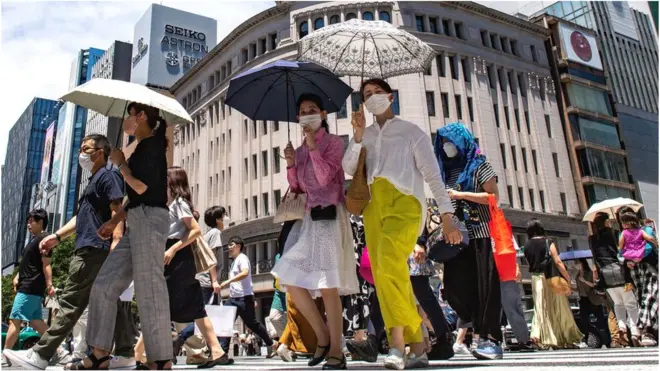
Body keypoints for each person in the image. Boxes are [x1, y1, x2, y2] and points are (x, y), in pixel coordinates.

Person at [342, 78, 460, 370]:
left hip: (406, 203)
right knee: (385, 273)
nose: (371, 98)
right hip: (373, 206)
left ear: (391, 96)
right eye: (366, 95)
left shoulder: (411, 132)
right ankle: (418, 344)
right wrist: (357, 137)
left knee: (389, 262)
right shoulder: (364, 134)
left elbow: (433, 176)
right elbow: (347, 168)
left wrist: (447, 215)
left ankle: (397, 343)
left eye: (377, 93)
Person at [3, 135, 134, 370]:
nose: (81, 154)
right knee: (110, 300)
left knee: (71, 302)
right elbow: (81, 217)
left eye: (86, 149)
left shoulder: (108, 175)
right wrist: (57, 237)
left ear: (101, 151)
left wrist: (116, 243)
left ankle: (41, 355)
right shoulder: (93, 181)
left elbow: (118, 211)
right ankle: (124, 354)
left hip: (94, 250)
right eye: (81, 149)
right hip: (91, 247)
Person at [78, 103, 173, 370]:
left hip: (151, 219)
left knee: (149, 289)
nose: (127, 121)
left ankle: (161, 359)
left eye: (130, 115)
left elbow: (141, 187)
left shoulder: (152, 146)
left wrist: (120, 165)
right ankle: (99, 354)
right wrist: (114, 221)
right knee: (104, 285)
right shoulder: (143, 147)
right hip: (137, 221)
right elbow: (134, 196)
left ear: (141, 116)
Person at [271, 93, 359, 370]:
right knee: (289, 276)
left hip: (330, 216)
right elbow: (297, 188)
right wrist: (289, 163)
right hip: (308, 219)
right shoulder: (298, 151)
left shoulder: (333, 143)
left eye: (312, 110)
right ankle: (322, 336)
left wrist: (311, 145)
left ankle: (336, 349)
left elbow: (324, 177)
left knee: (328, 285)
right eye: (302, 111)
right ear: (297, 118)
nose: (307, 114)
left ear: (322, 115)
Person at [434, 123, 503, 360]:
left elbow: (493, 197)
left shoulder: (480, 164)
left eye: (450, 141)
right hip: (456, 237)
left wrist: (461, 195)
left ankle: (491, 338)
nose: (446, 146)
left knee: (486, 287)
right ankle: (475, 326)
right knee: (454, 287)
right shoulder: (446, 171)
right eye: (442, 142)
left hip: (480, 233)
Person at [150, 167, 228, 368]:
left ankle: (146, 354)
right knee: (196, 309)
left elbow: (195, 230)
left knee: (161, 304)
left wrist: (173, 249)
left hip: (177, 258)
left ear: (173, 182)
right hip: (175, 257)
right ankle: (217, 350)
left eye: (165, 178)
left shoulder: (179, 203)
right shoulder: (170, 204)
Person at [2, 210, 52, 367]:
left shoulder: (44, 238)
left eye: (31, 221)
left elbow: (47, 263)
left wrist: (50, 284)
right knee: (37, 322)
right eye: (28, 221)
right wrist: (17, 275)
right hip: (29, 286)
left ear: (41, 221)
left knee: (14, 320)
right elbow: (27, 263)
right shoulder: (34, 240)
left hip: (30, 286)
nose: (28, 224)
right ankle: (59, 351)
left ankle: (5, 356)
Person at [523, 218, 583, 349]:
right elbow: (558, 262)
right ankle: (565, 338)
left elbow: (529, 264)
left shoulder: (526, 245)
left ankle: (541, 337)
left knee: (541, 308)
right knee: (560, 307)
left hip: (536, 279)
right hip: (551, 277)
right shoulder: (548, 241)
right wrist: (567, 278)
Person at [588, 211, 640, 347]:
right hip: (621, 273)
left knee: (618, 304)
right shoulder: (615, 233)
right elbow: (622, 251)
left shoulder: (592, 239)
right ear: (606, 221)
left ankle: (622, 326)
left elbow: (596, 260)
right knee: (630, 303)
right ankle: (635, 331)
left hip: (606, 276)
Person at [219, 237, 274, 356]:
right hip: (232, 298)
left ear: (238, 246)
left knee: (252, 324)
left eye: (231, 244)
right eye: (228, 245)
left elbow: (245, 273)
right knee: (226, 323)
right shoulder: (234, 261)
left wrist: (227, 282)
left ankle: (271, 344)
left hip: (244, 298)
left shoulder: (242, 258)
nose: (229, 247)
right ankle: (223, 353)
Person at [616, 208, 658, 347]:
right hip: (645, 267)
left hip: (637, 268)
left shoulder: (625, 233)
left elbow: (620, 250)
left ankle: (644, 329)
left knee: (644, 296)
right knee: (648, 295)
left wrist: (626, 258)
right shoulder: (643, 231)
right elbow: (651, 242)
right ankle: (645, 329)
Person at [573, 259, 610, 346]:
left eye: (577, 263)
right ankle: (585, 339)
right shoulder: (577, 275)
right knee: (583, 321)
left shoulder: (589, 273)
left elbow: (594, 285)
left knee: (600, 320)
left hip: (593, 299)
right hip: (583, 299)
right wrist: (570, 288)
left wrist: (584, 281)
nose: (575, 265)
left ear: (582, 263)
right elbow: (578, 288)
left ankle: (607, 339)